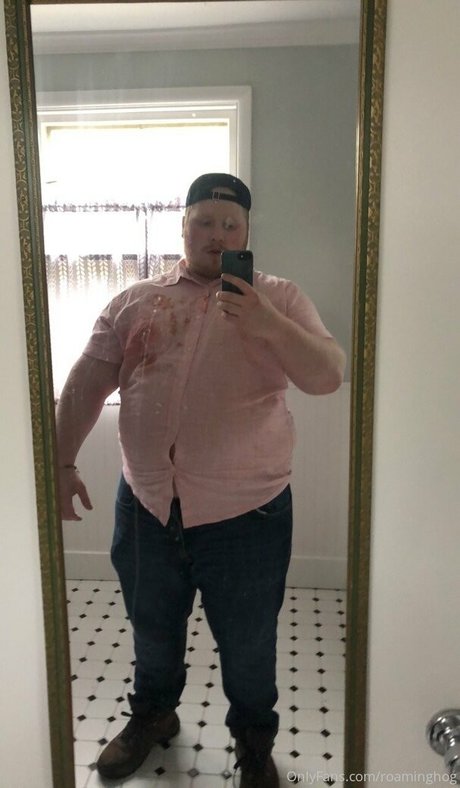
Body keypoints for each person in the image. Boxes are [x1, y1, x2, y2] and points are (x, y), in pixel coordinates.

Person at [56, 173, 346, 788]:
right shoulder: (135, 300)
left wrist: (266, 322)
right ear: (183, 228)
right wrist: (60, 464)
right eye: (204, 223)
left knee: (249, 642)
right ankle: (153, 715)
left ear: (247, 232)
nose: (218, 235)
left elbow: (327, 375)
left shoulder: (279, 297)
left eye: (230, 225)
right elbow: (86, 383)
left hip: (249, 516)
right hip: (146, 506)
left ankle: (253, 743)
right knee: (151, 628)